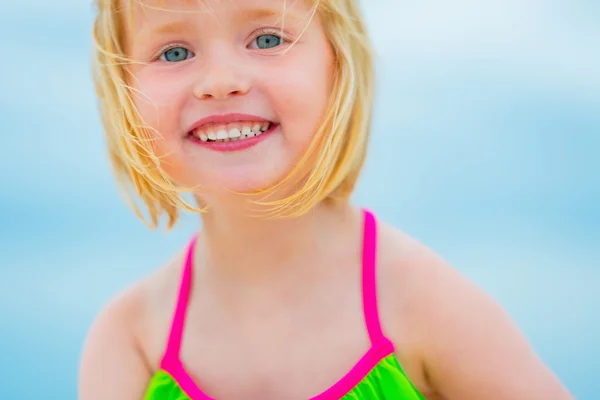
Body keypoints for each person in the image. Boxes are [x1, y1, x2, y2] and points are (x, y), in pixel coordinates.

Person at [79, 0, 573, 399]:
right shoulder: (130, 339)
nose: (220, 81)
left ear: (337, 65)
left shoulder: (425, 305)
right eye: (173, 53)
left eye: (268, 39)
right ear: (123, 91)